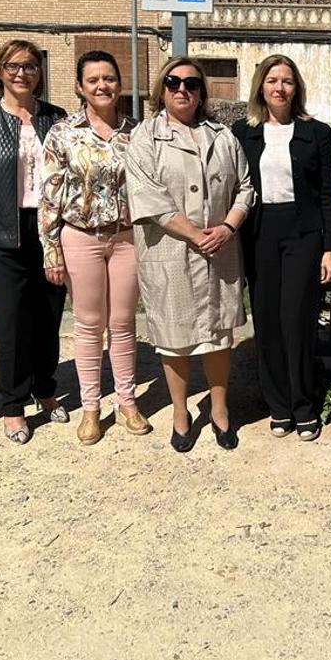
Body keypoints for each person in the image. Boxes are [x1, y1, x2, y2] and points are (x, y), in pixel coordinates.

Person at [126, 57, 255, 453]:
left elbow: (245, 188)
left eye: (192, 83)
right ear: (161, 89)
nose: (182, 89)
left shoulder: (223, 136)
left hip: (219, 251)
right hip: (170, 253)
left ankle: (219, 411)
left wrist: (228, 226)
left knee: (219, 336)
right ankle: (181, 414)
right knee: (173, 338)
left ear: (202, 92)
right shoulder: (144, 138)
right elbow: (149, 198)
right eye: (173, 82)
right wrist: (197, 235)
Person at [0, 39, 67, 444]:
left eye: (31, 66)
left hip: (50, 231)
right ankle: (12, 405)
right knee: (12, 322)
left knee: (49, 316)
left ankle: (46, 389)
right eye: (14, 66)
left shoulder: (56, 119)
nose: (22, 73)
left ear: (40, 73)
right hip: (2, 233)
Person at [39, 50, 146, 445]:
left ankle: (128, 402)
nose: (103, 86)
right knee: (88, 324)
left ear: (120, 83)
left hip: (126, 237)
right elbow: (49, 195)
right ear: (80, 87)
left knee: (122, 323)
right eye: (94, 80)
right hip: (80, 236)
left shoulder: (138, 132)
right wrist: (51, 250)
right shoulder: (63, 133)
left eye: (110, 78)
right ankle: (90, 409)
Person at [232, 55, 331, 442]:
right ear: (261, 86)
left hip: (303, 233)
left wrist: (330, 248)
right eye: (273, 80)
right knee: (268, 321)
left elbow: (328, 195)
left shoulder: (317, 132)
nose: (280, 88)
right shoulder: (243, 132)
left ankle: (303, 405)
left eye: (287, 81)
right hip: (260, 232)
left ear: (297, 88)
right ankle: (277, 405)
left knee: (297, 320)